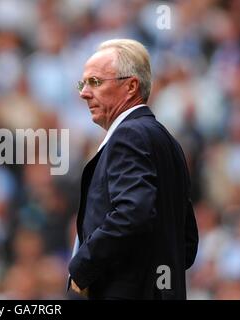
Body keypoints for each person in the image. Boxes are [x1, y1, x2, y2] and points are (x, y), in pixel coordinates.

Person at [68, 39, 199, 300]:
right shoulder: (166, 141)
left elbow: (133, 213)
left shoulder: (129, 135)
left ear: (130, 86)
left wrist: (82, 267)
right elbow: (187, 242)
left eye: (95, 82)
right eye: (82, 84)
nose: (84, 93)